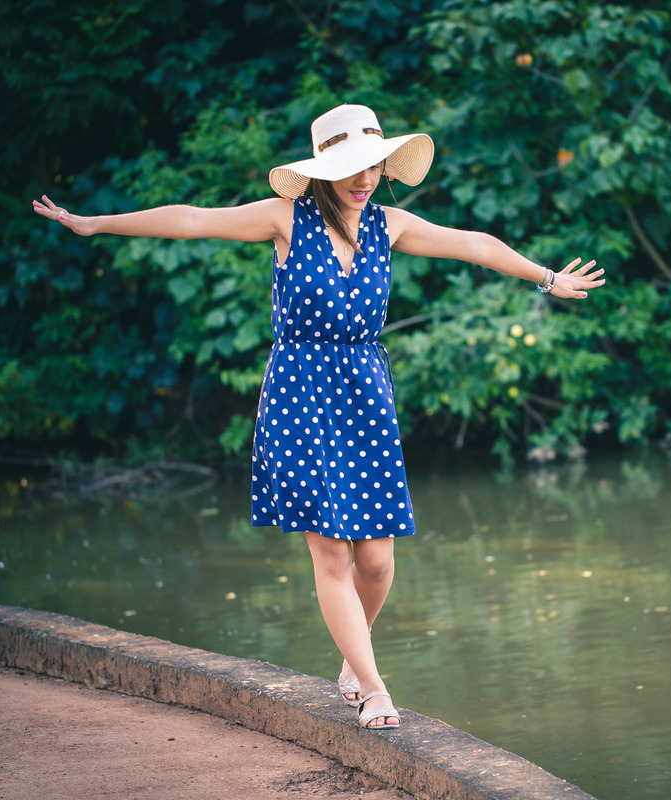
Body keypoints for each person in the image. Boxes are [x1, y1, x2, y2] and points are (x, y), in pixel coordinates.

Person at [33, 103, 605, 730]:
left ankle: (351, 658)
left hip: (364, 396)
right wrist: (92, 225)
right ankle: (374, 686)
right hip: (299, 393)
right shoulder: (285, 218)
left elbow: (473, 245)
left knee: (378, 562)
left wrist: (546, 277)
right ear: (322, 170)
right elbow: (193, 221)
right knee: (331, 553)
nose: (364, 180)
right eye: (350, 169)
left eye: (373, 166)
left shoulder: (390, 226)